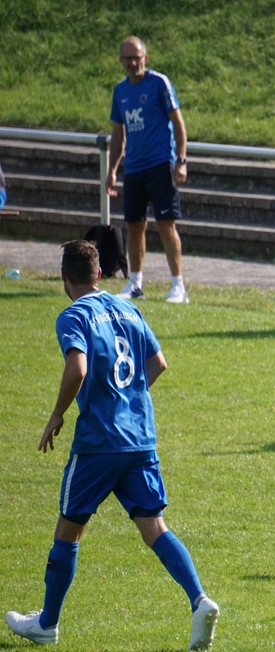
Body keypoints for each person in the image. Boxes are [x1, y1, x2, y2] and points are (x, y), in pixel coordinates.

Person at [4, 240, 219, 649]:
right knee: (154, 526)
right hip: (140, 437)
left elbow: (77, 368)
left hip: (99, 442)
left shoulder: (73, 315)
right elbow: (158, 363)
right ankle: (200, 600)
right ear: (100, 274)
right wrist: (128, 399)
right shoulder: (129, 309)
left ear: (64, 277)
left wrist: (57, 414)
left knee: (68, 529)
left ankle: (47, 624)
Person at [105, 36, 190, 304]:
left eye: (137, 57)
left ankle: (178, 286)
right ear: (121, 61)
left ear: (146, 58)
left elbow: (178, 123)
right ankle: (135, 284)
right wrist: (112, 170)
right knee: (134, 226)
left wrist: (181, 160)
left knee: (166, 224)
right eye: (128, 58)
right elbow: (118, 135)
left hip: (160, 164)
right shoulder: (120, 91)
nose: (133, 63)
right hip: (134, 168)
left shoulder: (159, 83)